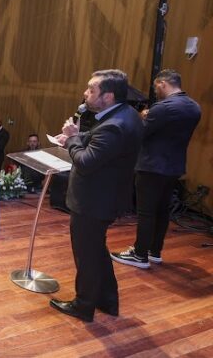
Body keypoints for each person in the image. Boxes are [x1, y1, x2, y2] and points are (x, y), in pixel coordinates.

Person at [49, 69, 143, 323]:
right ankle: (107, 300)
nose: (85, 93)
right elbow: (97, 139)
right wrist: (77, 137)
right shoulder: (124, 114)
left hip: (94, 201)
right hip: (105, 197)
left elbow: (86, 161)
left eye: (91, 90)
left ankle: (84, 305)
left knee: (87, 255)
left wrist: (71, 140)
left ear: (108, 96)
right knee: (97, 251)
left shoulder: (114, 126)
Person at [111, 69, 201, 269]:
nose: (155, 91)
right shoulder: (195, 107)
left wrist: (142, 117)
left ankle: (140, 254)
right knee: (162, 211)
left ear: (162, 84)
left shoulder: (162, 108)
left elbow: (140, 133)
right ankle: (155, 251)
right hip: (175, 166)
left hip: (151, 166)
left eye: (155, 87)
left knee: (146, 212)